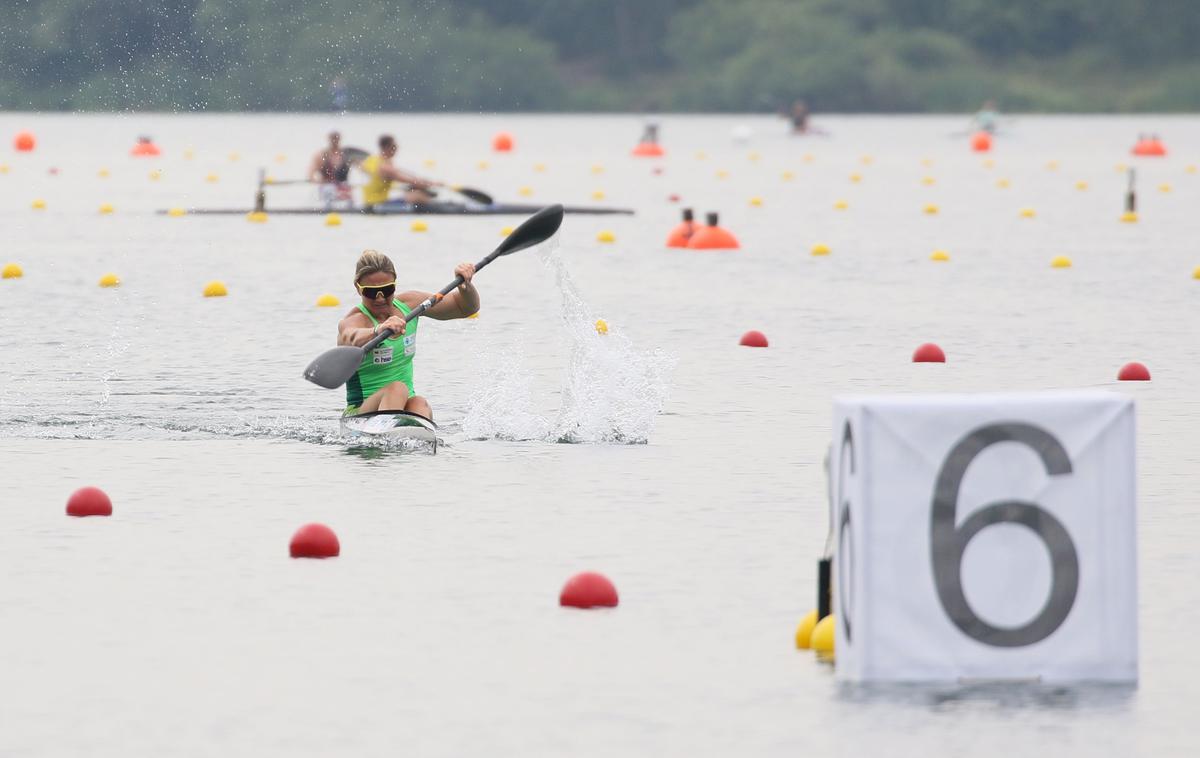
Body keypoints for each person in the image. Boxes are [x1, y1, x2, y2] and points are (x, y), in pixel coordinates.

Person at [337, 249, 479, 420]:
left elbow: (466, 307)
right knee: (397, 388)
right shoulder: (355, 320)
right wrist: (378, 330)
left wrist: (465, 285)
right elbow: (351, 336)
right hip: (360, 412)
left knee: (419, 403)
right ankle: (387, 434)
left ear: (395, 284)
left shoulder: (410, 304)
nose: (380, 298)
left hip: (402, 406)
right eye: (371, 292)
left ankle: (417, 437)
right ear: (358, 289)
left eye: (387, 289)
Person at [359, 134, 440, 208]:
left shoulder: (372, 160)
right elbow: (411, 181)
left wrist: (422, 181)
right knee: (417, 196)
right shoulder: (385, 167)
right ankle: (439, 208)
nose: (397, 148)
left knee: (415, 193)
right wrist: (433, 184)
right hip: (377, 204)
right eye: (394, 146)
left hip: (369, 200)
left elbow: (402, 174)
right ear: (387, 147)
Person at [308, 131, 352, 209]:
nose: (334, 141)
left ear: (340, 140)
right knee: (329, 189)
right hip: (327, 188)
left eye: (336, 139)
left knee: (348, 192)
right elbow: (310, 174)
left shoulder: (346, 155)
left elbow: (363, 167)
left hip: (343, 188)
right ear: (329, 140)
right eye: (333, 139)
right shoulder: (321, 155)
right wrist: (318, 181)